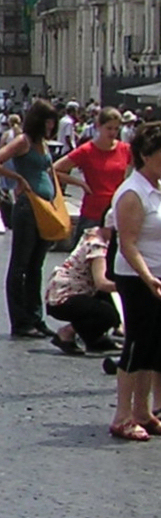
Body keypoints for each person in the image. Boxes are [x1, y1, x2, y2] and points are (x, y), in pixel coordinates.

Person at [0, 99, 65, 340]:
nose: (51, 127)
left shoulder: (43, 143)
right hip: (27, 208)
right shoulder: (23, 141)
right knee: (20, 264)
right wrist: (17, 179)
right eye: (48, 122)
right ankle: (20, 320)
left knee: (36, 265)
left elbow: (48, 171)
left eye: (54, 123)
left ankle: (35, 317)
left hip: (44, 207)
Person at [106, 121, 161, 440]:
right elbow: (128, 244)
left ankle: (143, 410)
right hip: (138, 277)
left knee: (155, 347)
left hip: (156, 275)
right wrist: (148, 277)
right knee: (136, 345)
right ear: (145, 155)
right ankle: (122, 414)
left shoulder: (155, 188)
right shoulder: (132, 193)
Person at [45, 226, 120, 357]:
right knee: (108, 315)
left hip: (65, 290)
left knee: (108, 307)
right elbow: (101, 283)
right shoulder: (97, 247)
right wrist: (131, 286)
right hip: (66, 297)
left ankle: (94, 339)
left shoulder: (94, 233)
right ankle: (67, 333)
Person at [56, 105, 130, 234]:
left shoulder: (125, 149)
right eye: (109, 128)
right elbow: (54, 169)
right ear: (98, 126)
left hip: (116, 212)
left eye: (116, 129)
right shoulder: (87, 150)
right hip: (93, 212)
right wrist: (80, 183)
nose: (112, 133)